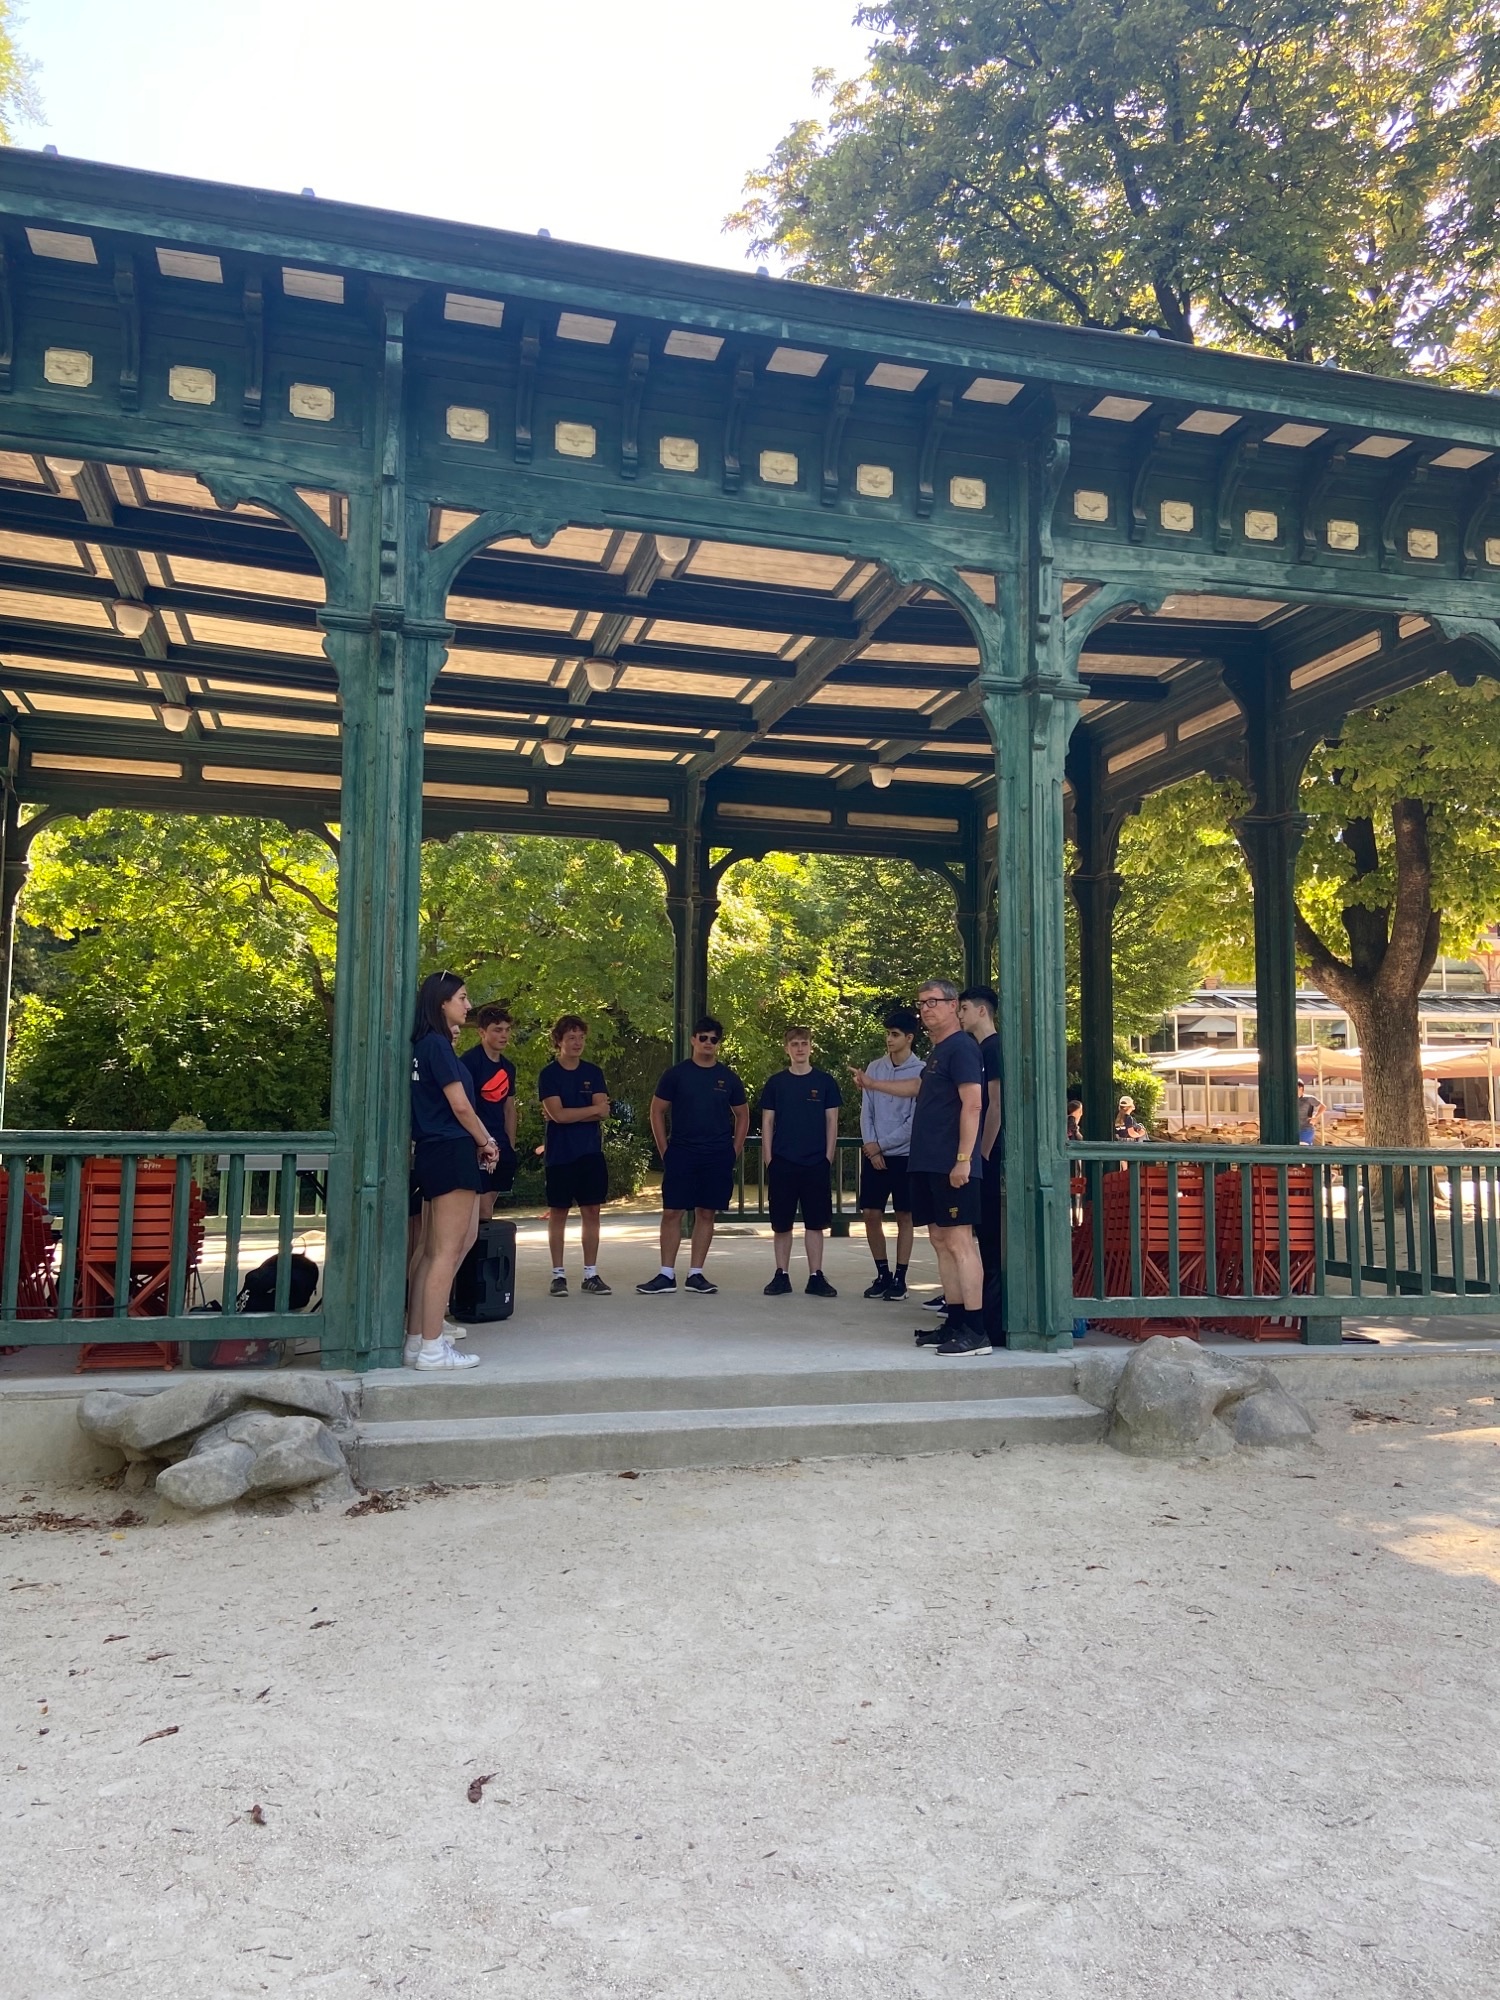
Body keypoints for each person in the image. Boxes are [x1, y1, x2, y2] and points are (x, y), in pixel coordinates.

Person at [853, 978, 988, 1356]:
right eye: (922, 1003)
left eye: (934, 1001)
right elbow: (917, 1088)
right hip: (927, 1163)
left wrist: (963, 1159)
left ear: (953, 1005)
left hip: (952, 1165)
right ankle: (955, 1322)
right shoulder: (938, 1052)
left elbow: (974, 1104)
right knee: (941, 1241)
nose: (926, 1008)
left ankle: (976, 1331)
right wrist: (872, 1084)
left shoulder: (962, 1047)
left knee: (960, 1242)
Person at [405, 971, 494, 1371]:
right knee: (446, 1252)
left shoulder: (425, 1045)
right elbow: (460, 1106)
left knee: (431, 1251)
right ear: (442, 1002)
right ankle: (432, 1348)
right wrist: (486, 1140)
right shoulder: (437, 1046)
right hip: (452, 1149)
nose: (468, 1005)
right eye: (462, 997)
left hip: (432, 1150)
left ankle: (416, 1340)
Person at [637, 1016, 749, 1295]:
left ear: (718, 1043)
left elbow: (743, 1114)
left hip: (717, 1155)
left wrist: (733, 1150)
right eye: (703, 1037)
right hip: (682, 1153)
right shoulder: (676, 1075)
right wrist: (665, 1150)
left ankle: (696, 1274)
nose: (708, 1043)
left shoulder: (728, 1078)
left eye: (714, 1039)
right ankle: (666, 1274)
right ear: (693, 1040)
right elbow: (656, 1110)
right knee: (672, 1212)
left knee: (706, 1212)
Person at [758, 1027, 842, 1298]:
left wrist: (827, 1157)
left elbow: (832, 1121)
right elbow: (767, 1122)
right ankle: (781, 1274)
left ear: (811, 1047)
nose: (800, 1048)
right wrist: (769, 1159)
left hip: (816, 1162)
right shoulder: (776, 1083)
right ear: (786, 1048)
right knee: (781, 1223)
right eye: (794, 1044)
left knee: (815, 1223)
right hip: (783, 1162)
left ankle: (816, 1276)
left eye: (804, 1043)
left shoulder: (825, 1082)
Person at [538, 1014, 612, 1296]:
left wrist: (571, 1114)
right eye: (571, 1037)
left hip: (590, 1153)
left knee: (592, 1211)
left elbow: (604, 1112)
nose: (577, 1042)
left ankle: (590, 1274)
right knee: (559, 1212)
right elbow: (557, 1115)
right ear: (559, 1041)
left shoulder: (593, 1072)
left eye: (581, 1037)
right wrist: (589, 1111)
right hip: (560, 1154)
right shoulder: (549, 1074)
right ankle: (558, 1275)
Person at [857, 1006, 923, 1300]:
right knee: (871, 1213)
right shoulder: (874, 1068)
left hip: (904, 1155)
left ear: (909, 1038)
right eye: (887, 1034)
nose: (889, 1039)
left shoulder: (921, 1071)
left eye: (895, 1034)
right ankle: (882, 1273)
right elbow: (867, 1112)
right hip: (875, 1154)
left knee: (904, 1215)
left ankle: (900, 1278)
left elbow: (914, 1122)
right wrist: (872, 1148)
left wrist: (882, 1145)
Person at [959, 984, 1005, 1345]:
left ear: (981, 1011)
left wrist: (984, 1152)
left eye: (964, 1009)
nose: (960, 1015)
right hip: (981, 1156)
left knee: (990, 1238)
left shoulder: (994, 1048)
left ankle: (993, 1320)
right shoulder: (978, 1049)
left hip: (989, 1156)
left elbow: (995, 1104)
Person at [461, 1004, 518, 1222]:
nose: (504, 1035)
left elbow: (509, 1108)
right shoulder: (469, 1062)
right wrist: (480, 1141)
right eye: (497, 1030)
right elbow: (464, 1106)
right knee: (482, 1211)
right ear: (482, 1032)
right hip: (477, 1143)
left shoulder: (508, 1068)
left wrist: (509, 1145)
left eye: (507, 1030)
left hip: (501, 1143)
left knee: (487, 1211)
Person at [1297, 1079, 1326, 1145]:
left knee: (1303, 1146)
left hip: (1306, 1128)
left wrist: (1315, 1117)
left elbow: (1323, 1106)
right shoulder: (1290, 1099)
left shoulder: (1309, 1098)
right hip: (1292, 1129)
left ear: (1300, 1088)